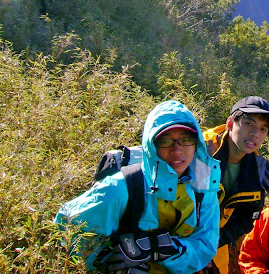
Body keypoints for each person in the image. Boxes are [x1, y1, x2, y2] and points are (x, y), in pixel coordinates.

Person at [54, 100, 221, 274]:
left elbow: (205, 245)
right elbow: (66, 225)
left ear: (197, 145)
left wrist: (160, 249)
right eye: (165, 142)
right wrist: (103, 260)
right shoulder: (121, 188)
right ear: (151, 147)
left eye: (186, 140)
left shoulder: (202, 189)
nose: (177, 150)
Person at [202, 96, 269, 274]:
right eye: (249, 124)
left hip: (213, 251)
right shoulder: (202, 150)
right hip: (175, 242)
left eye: (263, 129)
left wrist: (214, 243)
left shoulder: (258, 171)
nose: (255, 134)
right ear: (230, 124)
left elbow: (248, 218)